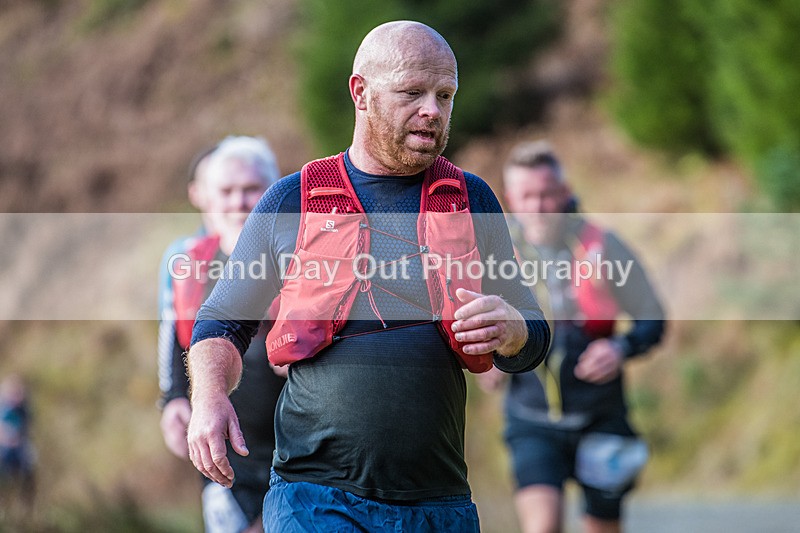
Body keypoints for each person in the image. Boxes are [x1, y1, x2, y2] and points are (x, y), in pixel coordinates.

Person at [185, 21, 551, 532]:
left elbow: (534, 333)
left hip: (439, 502)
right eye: (412, 93)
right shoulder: (291, 199)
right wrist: (208, 399)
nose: (433, 110)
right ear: (361, 92)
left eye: (445, 95)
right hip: (315, 497)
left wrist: (513, 331)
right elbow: (220, 322)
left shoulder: (472, 199)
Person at [479, 140, 665, 533]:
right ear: (510, 199)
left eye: (548, 194)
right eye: (527, 196)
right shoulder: (495, 253)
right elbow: (465, 318)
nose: (539, 206)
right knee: (542, 526)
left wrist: (621, 346)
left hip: (601, 417)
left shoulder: (603, 246)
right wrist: (482, 363)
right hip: (531, 420)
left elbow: (652, 317)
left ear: (564, 193)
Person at [157, 136, 286, 533]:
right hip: (225, 467)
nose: (238, 202)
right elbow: (174, 335)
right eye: (226, 191)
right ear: (207, 198)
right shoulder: (190, 262)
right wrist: (173, 399)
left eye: (251, 190)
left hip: (301, 464)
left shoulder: (304, 258)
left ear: (275, 192)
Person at [0, 374, 35, 515]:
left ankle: (27, 508)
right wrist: (7, 438)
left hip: (19, 450)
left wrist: (18, 439)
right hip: (4, 451)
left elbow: (27, 428)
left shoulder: (23, 409)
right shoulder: (3, 408)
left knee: (29, 463)